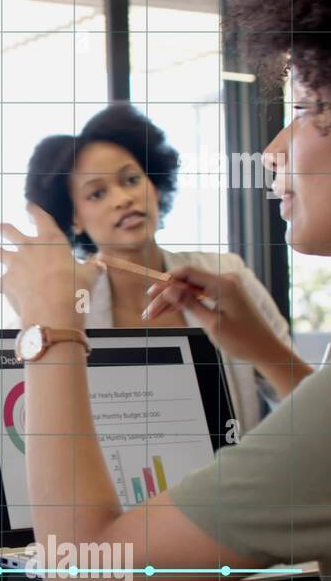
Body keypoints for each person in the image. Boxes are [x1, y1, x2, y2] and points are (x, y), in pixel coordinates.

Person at [0, 0, 331, 581]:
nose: (273, 149)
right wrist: (269, 356)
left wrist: (47, 329)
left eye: (305, 110)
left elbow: (78, 577)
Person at [23, 104, 295, 429]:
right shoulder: (64, 301)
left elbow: (300, 399)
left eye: (132, 179)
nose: (123, 199)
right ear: (73, 218)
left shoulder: (226, 276)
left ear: (154, 183)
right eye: (97, 193)